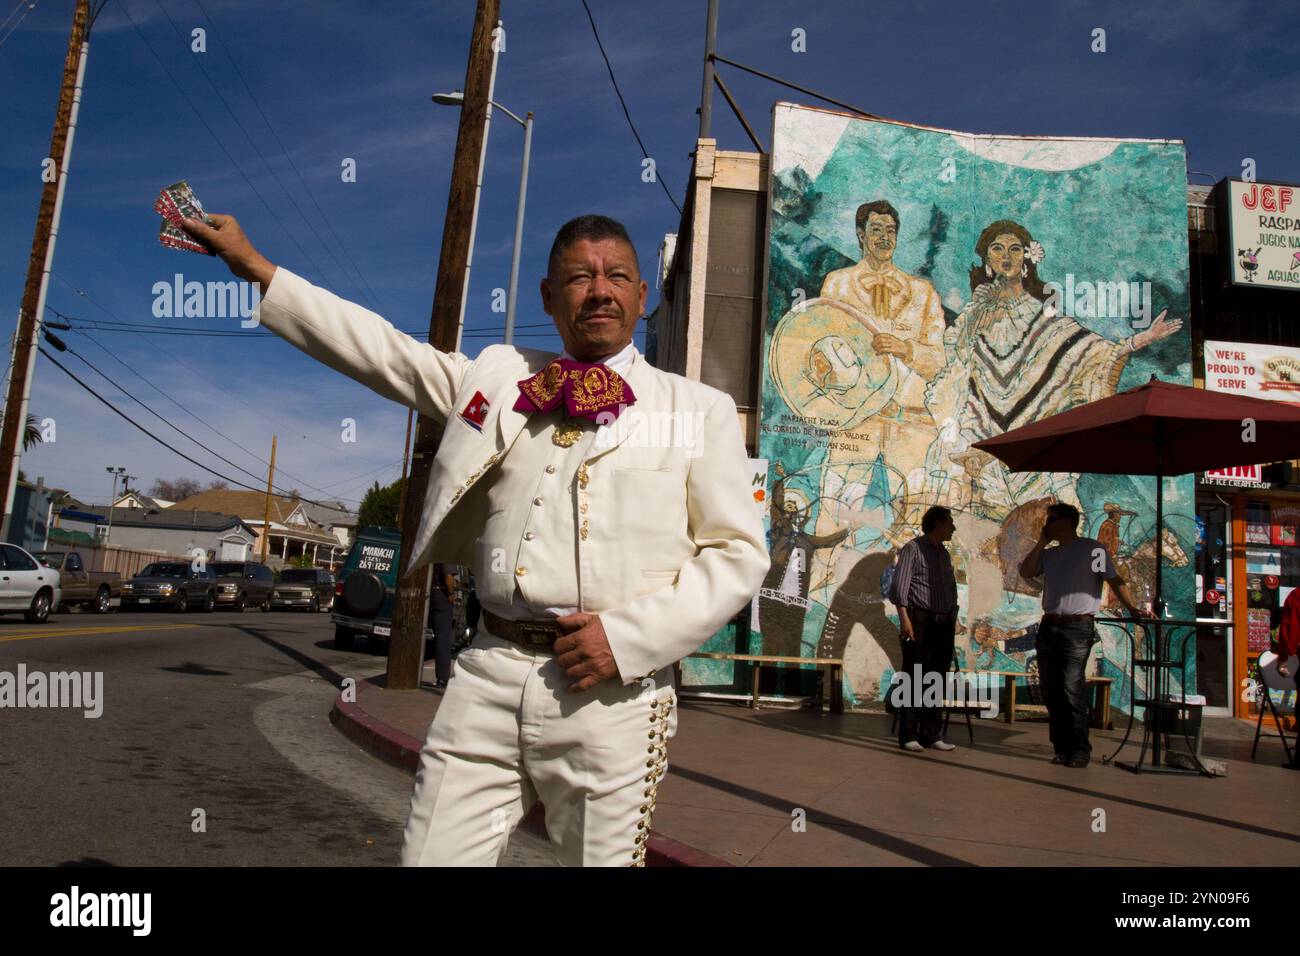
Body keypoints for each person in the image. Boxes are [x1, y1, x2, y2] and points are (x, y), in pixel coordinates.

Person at [182, 212, 769, 866]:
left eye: (618, 277)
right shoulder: (499, 377)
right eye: (579, 276)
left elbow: (738, 554)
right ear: (549, 296)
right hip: (487, 670)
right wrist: (258, 268)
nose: (599, 290)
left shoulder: (696, 412)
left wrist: (629, 641)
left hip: (611, 696)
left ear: (640, 296)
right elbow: (382, 352)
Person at [926, 219, 1182, 520]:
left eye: (1015, 248)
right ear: (987, 260)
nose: (1006, 255)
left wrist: (1138, 341)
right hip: (980, 435)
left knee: (1049, 523)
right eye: (996, 248)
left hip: (1033, 438)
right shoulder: (973, 315)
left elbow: (1087, 354)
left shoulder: (1042, 315)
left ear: (1026, 259)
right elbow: (955, 364)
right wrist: (978, 311)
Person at [1019, 502, 1151, 767]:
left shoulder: (1093, 550)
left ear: (1066, 522)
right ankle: (1061, 747)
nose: (1047, 523)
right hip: (1050, 625)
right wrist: (1041, 543)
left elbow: (1114, 580)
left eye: (1052, 519)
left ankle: (1079, 749)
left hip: (1077, 627)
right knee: (1051, 689)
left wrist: (1133, 608)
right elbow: (1026, 572)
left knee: (1070, 686)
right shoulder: (1050, 554)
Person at [888, 505, 959, 752]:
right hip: (919, 620)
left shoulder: (944, 554)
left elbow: (950, 586)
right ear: (937, 524)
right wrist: (905, 619)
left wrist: (953, 614)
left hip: (943, 622)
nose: (953, 527)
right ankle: (908, 734)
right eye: (950, 522)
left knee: (936, 678)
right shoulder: (913, 549)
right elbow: (899, 587)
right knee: (914, 675)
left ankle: (931, 733)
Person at [429, 563, 456, 690]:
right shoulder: (447, 551)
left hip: (430, 592)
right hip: (441, 594)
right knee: (443, 637)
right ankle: (443, 677)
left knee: (440, 636)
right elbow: (448, 575)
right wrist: (451, 593)